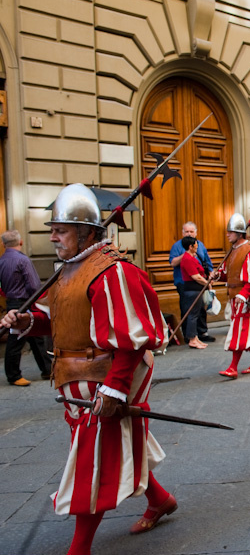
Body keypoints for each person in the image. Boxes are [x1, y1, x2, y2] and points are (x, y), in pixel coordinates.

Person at [1, 184, 175, 555]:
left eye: (60, 229)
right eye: (53, 228)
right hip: (75, 374)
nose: (52, 236)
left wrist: (115, 388)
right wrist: (26, 323)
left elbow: (130, 339)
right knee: (110, 444)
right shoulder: (66, 271)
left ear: (86, 232)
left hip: (111, 374)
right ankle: (160, 500)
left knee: (92, 459)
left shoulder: (112, 272)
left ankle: (78, 548)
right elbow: (60, 322)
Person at [217, 213, 250, 379]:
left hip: (245, 297)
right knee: (246, 329)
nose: (227, 234)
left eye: (230, 232)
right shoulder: (232, 251)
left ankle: (232, 367)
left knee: (239, 330)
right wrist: (216, 275)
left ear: (239, 233)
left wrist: (244, 295)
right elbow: (228, 274)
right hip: (234, 296)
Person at [0, 230, 52, 385]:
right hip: (24, 302)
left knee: (36, 339)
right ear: (20, 242)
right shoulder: (23, 260)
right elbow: (34, 285)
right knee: (16, 340)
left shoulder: (1, 260)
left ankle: (47, 369)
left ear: (3, 244)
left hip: (12, 301)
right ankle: (14, 375)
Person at [169, 221, 215, 343]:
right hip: (184, 283)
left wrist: (210, 274)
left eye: (191, 232)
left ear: (196, 233)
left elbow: (207, 262)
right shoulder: (177, 246)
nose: (189, 234)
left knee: (200, 308)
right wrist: (186, 254)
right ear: (182, 233)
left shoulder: (200, 245)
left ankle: (202, 333)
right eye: (186, 232)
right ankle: (189, 335)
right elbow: (173, 262)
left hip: (200, 283)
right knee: (187, 309)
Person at [178, 236, 208, 349]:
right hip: (192, 290)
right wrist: (207, 283)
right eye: (195, 245)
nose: (197, 246)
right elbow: (195, 276)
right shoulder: (187, 259)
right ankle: (192, 339)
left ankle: (195, 338)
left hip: (196, 290)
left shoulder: (191, 257)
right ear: (190, 246)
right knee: (193, 315)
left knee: (195, 314)